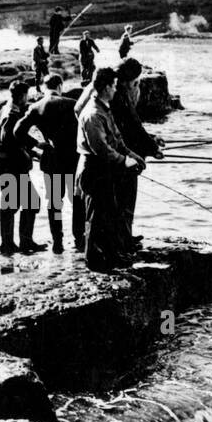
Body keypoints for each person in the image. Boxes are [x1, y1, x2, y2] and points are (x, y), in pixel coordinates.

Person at [76, 67, 144, 272]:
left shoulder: (104, 108)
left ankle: (110, 255)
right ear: (106, 87)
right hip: (93, 170)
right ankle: (94, 261)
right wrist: (124, 161)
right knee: (96, 217)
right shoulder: (93, 114)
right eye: (114, 86)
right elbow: (101, 148)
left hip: (105, 170)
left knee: (110, 213)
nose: (116, 90)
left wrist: (132, 155)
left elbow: (116, 139)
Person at [15, 73, 84, 255]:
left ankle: (58, 242)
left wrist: (37, 144)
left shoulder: (36, 107)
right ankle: (79, 239)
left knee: (55, 202)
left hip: (51, 161)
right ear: (60, 86)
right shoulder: (72, 104)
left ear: (44, 88)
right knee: (77, 200)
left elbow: (17, 131)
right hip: (72, 160)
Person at [109, 58, 163, 249]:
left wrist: (151, 138)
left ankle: (123, 237)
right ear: (130, 79)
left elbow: (133, 127)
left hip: (118, 153)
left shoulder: (114, 92)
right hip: (125, 156)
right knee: (126, 197)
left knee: (118, 199)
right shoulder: (122, 96)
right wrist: (153, 149)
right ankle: (124, 239)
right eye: (136, 81)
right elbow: (134, 126)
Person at [0, 80, 46, 255]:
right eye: (27, 95)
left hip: (9, 164)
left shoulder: (4, 110)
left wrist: (31, 154)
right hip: (12, 166)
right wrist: (35, 146)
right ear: (22, 96)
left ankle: (17, 243)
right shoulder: (11, 113)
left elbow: (11, 141)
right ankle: (14, 243)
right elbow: (9, 139)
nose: (27, 98)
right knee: (20, 204)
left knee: (23, 203)